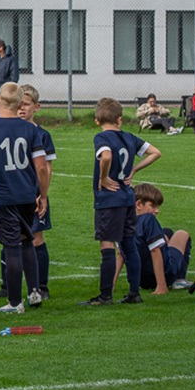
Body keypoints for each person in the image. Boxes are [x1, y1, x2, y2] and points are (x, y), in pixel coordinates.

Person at [0, 82, 50, 315]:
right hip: (27, 194)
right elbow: (42, 167)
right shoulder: (31, 130)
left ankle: (15, 301)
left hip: (3, 196)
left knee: (12, 246)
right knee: (27, 240)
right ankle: (34, 290)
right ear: (19, 103)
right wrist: (42, 195)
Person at [80, 98, 161, 307]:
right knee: (129, 244)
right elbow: (155, 152)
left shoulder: (102, 137)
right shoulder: (129, 137)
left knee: (107, 244)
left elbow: (106, 156)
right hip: (127, 197)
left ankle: (105, 295)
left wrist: (104, 177)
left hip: (109, 199)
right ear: (119, 119)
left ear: (97, 121)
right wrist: (134, 169)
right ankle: (134, 293)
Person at [19, 84, 57, 300]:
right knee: (10, 238)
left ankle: (42, 286)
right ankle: (7, 285)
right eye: (18, 104)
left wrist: (43, 195)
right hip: (14, 195)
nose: (21, 108)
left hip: (34, 195)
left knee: (36, 238)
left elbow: (47, 168)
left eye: (26, 104)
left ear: (36, 107)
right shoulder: (10, 131)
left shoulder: (42, 135)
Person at [123, 183, 193, 294]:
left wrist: (111, 285)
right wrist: (161, 285)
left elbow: (120, 254)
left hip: (140, 280)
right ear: (139, 204)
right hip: (165, 275)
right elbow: (155, 250)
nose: (157, 211)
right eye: (153, 206)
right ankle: (179, 279)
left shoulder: (124, 221)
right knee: (182, 234)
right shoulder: (148, 220)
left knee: (166, 232)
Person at [0, 39, 18, 105]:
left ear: (1, 48)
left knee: (6, 106)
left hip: (6, 89)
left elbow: (14, 74)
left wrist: (9, 86)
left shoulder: (11, 59)